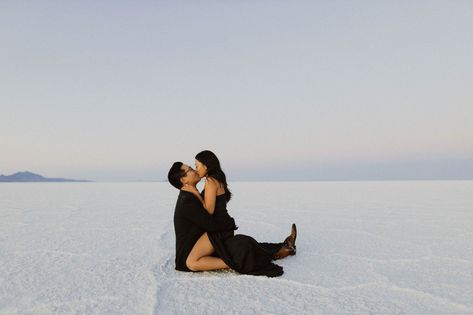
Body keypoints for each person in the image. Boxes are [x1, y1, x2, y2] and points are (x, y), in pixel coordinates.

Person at [168, 152, 297, 277]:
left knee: (239, 247)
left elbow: (210, 214)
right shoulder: (187, 200)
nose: (194, 170)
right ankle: (237, 263)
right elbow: (209, 221)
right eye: (191, 169)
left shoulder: (194, 192)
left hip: (203, 239)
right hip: (189, 251)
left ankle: (282, 248)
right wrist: (228, 223)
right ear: (184, 179)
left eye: (195, 166)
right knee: (233, 252)